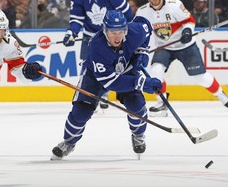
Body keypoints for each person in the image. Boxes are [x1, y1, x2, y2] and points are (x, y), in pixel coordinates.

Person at [51, 10, 162, 160]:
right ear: (104, 30)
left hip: (126, 70)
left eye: (120, 31)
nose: (117, 36)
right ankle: (69, 142)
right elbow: (110, 81)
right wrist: (141, 83)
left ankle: (138, 134)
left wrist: (143, 51)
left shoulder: (134, 32)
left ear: (126, 29)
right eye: (112, 32)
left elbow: (145, 25)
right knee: (81, 112)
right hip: (95, 76)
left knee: (136, 104)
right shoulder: (97, 45)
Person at [135, 0, 228, 117]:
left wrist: (186, 31)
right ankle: (162, 103)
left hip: (185, 46)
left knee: (200, 78)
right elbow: (137, 32)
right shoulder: (143, 12)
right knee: (155, 71)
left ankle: (219, 93)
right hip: (164, 47)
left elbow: (189, 20)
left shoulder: (174, 5)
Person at [62, 0, 133, 109]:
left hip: (110, 36)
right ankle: (89, 96)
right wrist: (72, 32)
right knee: (86, 67)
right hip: (90, 37)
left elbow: (126, 11)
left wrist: (131, 29)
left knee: (109, 65)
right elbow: (77, 19)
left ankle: (104, 93)